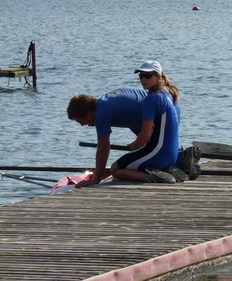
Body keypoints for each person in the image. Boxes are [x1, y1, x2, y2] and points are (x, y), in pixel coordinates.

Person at [67, 62, 199, 187]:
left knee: (116, 170)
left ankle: (157, 173)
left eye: (81, 121)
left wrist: (96, 179)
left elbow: (103, 149)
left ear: (88, 113)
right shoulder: (166, 92)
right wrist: (138, 146)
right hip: (167, 141)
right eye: (141, 76)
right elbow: (141, 125)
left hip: (158, 143)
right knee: (146, 152)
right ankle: (181, 157)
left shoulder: (102, 112)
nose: (83, 125)